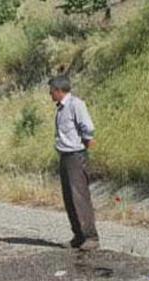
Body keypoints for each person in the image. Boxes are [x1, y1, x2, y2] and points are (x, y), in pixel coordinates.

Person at [49, 75, 99, 251]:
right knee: (69, 198)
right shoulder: (61, 108)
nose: (50, 95)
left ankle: (91, 237)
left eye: (51, 91)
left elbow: (87, 127)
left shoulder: (75, 104)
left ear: (59, 90)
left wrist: (86, 142)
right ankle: (78, 235)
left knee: (79, 197)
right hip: (65, 155)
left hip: (75, 156)